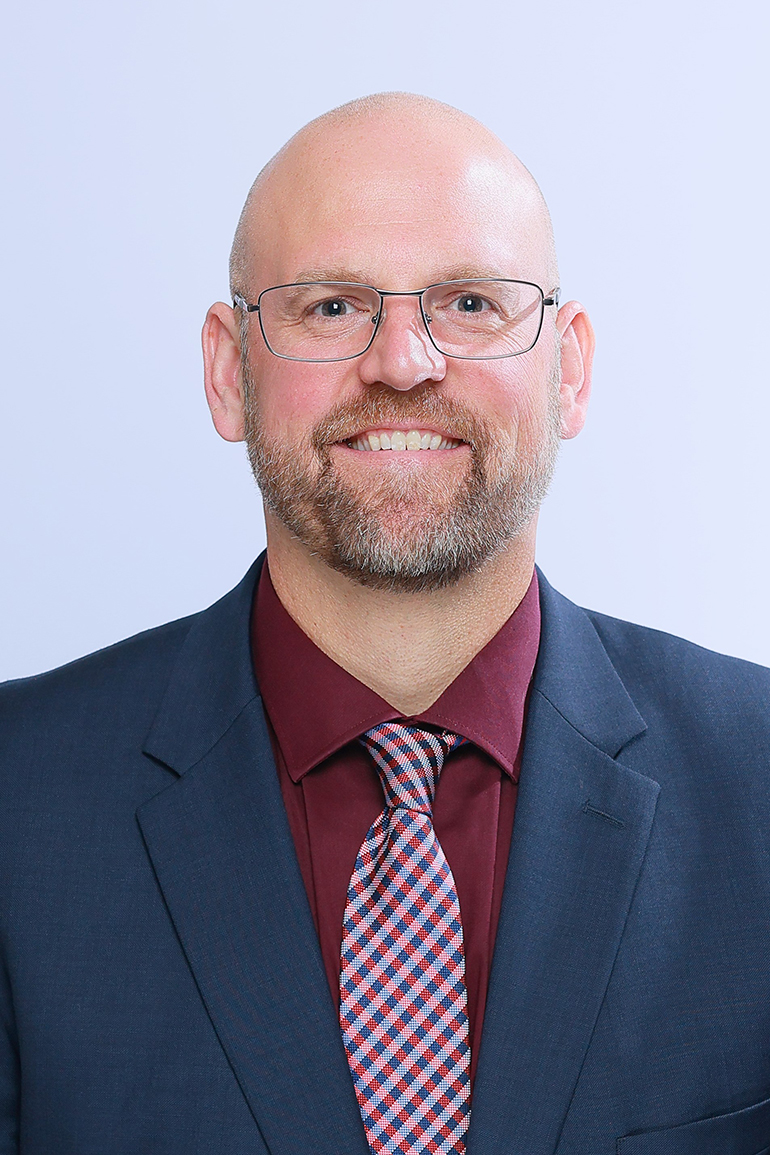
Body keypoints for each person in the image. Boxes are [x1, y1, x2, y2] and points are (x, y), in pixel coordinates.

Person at [1, 92, 769, 1155]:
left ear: (569, 370)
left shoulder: (757, 779)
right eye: (328, 307)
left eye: (468, 304)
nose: (401, 362)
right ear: (230, 375)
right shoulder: (18, 801)